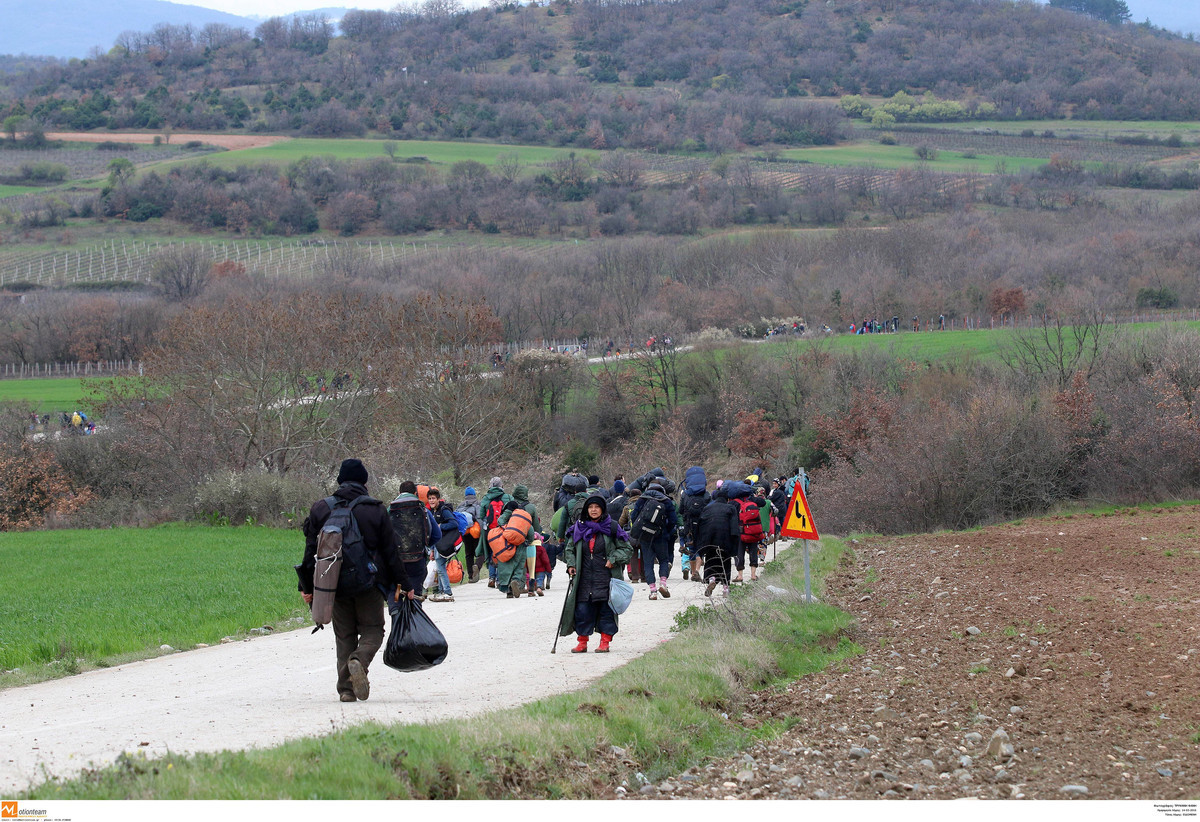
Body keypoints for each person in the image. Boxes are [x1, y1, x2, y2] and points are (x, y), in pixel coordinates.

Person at [298, 458, 414, 703]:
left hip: (333, 585)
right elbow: (391, 552)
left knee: (344, 636)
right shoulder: (374, 509)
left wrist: (307, 587)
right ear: (365, 481)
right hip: (368, 584)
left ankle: (346, 690)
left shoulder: (321, 508)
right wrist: (405, 584)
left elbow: (311, 553)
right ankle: (359, 660)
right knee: (373, 630)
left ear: (340, 480)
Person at [560, 495, 633, 654]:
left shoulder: (612, 528)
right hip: (584, 578)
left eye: (597, 507)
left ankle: (605, 642)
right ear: (586, 510)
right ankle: (582, 642)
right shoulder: (579, 528)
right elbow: (569, 549)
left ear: (602, 509)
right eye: (590, 507)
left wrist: (613, 559)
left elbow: (627, 549)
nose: (593, 510)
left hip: (606, 578)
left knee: (606, 611)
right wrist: (571, 564)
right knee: (582, 611)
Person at [628, 481, 679, 600]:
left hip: (645, 537)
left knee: (648, 563)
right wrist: (667, 532)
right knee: (663, 560)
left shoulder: (642, 499)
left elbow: (634, 516)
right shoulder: (666, 501)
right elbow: (673, 520)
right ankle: (663, 584)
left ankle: (653, 591)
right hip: (661, 536)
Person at [390, 480, 441, 598]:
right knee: (415, 593)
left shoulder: (390, 510)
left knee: (396, 590)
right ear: (415, 493)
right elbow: (437, 535)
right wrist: (425, 545)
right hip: (417, 559)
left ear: (399, 492)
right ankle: (415, 610)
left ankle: (395, 610)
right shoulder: (423, 510)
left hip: (397, 560)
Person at [694, 484, 740, 598]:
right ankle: (725, 589)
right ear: (727, 499)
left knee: (711, 560)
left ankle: (711, 580)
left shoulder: (707, 508)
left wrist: (699, 544)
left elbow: (700, 526)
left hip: (709, 540)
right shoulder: (731, 508)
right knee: (725, 563)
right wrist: (735, 546)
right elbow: (734, 527)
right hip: (725, 540)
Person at [496, 484, 542, 598]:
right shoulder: (530, 508)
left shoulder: (510, 505)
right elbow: (534, 526)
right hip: (522, 540)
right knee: (520, 564)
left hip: (507, 540)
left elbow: (500, 521)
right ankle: (518, 582)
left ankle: (508, 590)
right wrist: (532, 538)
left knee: (508, 563)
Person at [425, 487, 460, 602]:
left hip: (445, 542)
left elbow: (454, 523)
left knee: (440, 567)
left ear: (438, 499)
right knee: (440, 567)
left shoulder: (444, 510)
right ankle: (441, 591)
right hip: (438, 544)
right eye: (429, 499)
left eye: (433, 498)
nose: (431, 501)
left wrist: (440, 526)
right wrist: (432, 550)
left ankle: (447, 592)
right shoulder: (432, 511)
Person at [478, 477, 511, 588]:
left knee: (493, 552)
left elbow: (482, 515)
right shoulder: (507, 497)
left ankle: (491, 577)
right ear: (501, 486)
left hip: (491, 530)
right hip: (504, 529)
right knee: (502, 551)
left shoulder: (486, 498)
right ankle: (499, 578)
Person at [456, 486, 482, 583]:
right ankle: (477, 567)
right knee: (480, 552)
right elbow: (480, 517)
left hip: (465, 532)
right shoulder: (478, 503)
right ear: (474, 494)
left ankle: (471, 576)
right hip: (476, 531)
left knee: (468, 553)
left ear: (465, 495)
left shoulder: (461, 505)